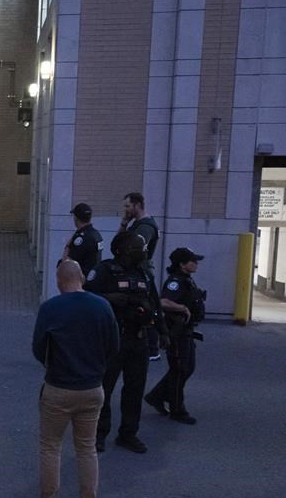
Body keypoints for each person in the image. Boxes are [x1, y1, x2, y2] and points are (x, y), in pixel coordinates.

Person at [23, 261, 119, 498]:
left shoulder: (50, 308)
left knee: (51, 447)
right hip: (92, 389)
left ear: (58, 280)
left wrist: (53, 365)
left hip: (58, 388)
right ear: (81, 279)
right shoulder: (102, 306)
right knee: (87, 448)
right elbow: (114, 346)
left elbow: (38, 348)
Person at [85, 232, 168, 454]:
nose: (143, 250)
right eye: (138, 246)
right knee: (104, 389)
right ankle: (99, 434)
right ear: (122, 249)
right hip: (111, 341)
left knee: (134, 389)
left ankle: (128, 434)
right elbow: (86, 297)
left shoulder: (144, 273)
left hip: (138, 340)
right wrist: (109, 298)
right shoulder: (103, 270)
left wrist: (163, 332)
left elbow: (155, 304)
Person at [145, 248, 207, 424]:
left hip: (186, 331)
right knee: (180, 370)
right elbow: (163, 302)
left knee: (186, 368)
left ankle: (156, 396)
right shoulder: (175, 282)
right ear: (181, 264)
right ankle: (177, 409)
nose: (196, 264)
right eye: (192, 261)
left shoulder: (186, 280)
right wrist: (182, 308)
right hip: (177, 332)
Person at [118, 192, 162, 360]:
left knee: (147, 306)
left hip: (141, 272)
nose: (126, 210)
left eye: (128, 206)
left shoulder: (145, 227)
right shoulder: (135, 224)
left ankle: (152, 347)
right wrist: (123, 223)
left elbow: (130, 248)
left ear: (137, 205)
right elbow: (118, 242)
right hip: (136, 271)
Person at [63, 203, 104, 275]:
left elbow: (67, 264)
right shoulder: (96, 234)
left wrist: (67, 246)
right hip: (93, 279)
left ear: (76, 218)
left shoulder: (81, 238)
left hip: (81, 281)